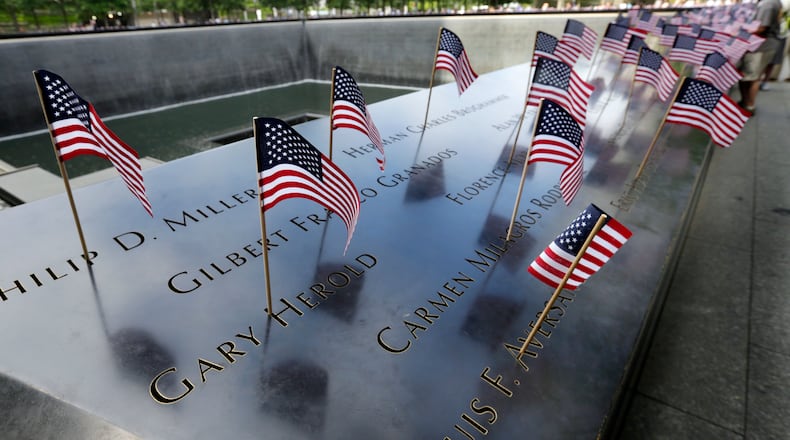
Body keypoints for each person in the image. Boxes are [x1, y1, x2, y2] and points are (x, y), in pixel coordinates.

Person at [737, 0, 783, 113]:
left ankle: (749, 105)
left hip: (762, 44)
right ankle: (746, 103)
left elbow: (762, 27)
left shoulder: (768, 3)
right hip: (762, 43)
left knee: (752, 76)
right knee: (749, 75)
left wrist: (738, 32)